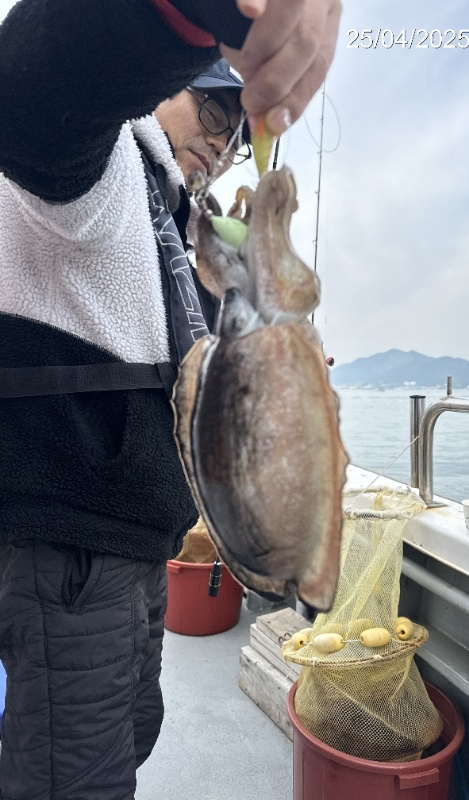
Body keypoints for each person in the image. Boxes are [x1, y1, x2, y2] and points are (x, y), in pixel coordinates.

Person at [0, 1, 341, 797]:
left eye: (235, 128)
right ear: (159, 83)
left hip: (135, 546)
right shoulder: (94, 163)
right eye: (211, 106)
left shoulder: (170, 211)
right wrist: (192, 13)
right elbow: (38, 82)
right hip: (69, 553)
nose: (222, 139)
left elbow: (200, 353)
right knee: (74, 779)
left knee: (132, 734)